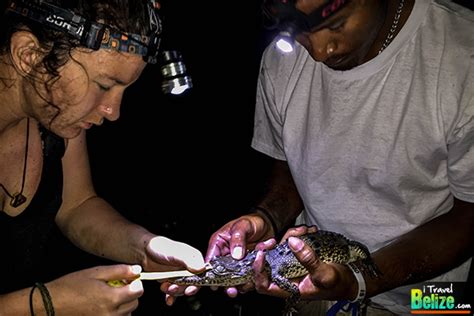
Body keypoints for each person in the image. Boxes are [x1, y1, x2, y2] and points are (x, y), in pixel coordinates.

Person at [162, 0, 474, 315]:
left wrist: (361, 280)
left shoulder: (464, 54)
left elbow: (469, 218)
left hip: (432, 298)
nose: (318, 52)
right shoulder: (280, 59)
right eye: (298, 29)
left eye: (336, 24)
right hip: (313, 286)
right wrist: (266, 218)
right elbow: (291, 168)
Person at [0, 0, 205, 314]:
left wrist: (146, 246)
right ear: (28, 55)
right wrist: (45, 305)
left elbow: (76, 205)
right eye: (104, 85)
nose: (113, 112)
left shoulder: (55, 116)